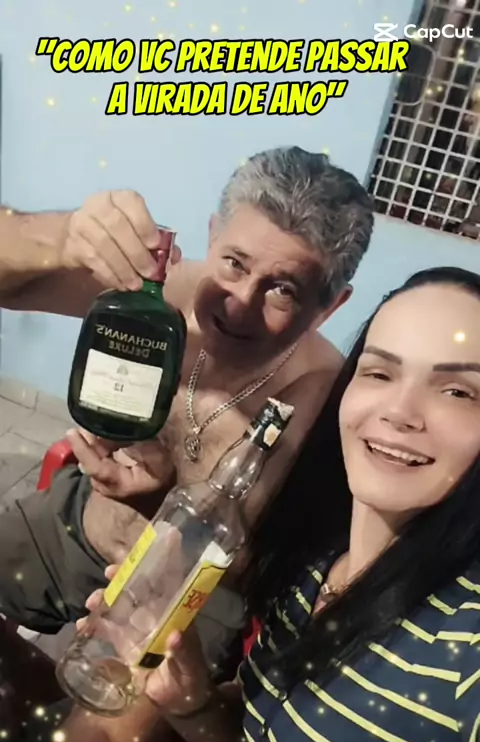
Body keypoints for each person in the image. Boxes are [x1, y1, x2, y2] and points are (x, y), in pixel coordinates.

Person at [60, 266, 480, 742]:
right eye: (380, 372)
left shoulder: (463, 646)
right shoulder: (313, 577)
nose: (400, 412)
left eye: (458, 391)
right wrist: (191, 699)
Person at [0, 146, 373, 658]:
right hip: (79, 522)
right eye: (234, 263)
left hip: (191, 599)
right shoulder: (161, 291)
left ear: (330, 306)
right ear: (213, 234)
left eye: (282, 290)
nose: (239, 304)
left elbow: (254, 563)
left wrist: (154, 503)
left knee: (91, 707)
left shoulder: (321, 391)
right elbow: (11, 287)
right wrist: (61, 239)